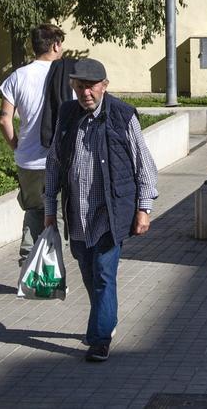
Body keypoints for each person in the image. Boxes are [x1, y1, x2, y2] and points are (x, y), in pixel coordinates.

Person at [42, 58, 158, 362]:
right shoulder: (67, 114)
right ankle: (105, 319)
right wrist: (49, 207)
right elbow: (54, 161)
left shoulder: (122, 115)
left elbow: (144, 163)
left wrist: (144, 208)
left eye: (91, 86)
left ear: (104, 86)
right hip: (76, 214)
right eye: (79, 87)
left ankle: (99, 339)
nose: (85, 93)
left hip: (111, 213)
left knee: (104, 274)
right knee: (89, 273)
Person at [0, 24, 74, 264]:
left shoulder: (18, 76)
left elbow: (4, 119)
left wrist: (17, 146)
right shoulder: (67, 76)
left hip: (28, 160)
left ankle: (27, 264)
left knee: (33, 212)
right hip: (60, 158)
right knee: (58, 215)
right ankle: (52, 271)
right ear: (55, 45)